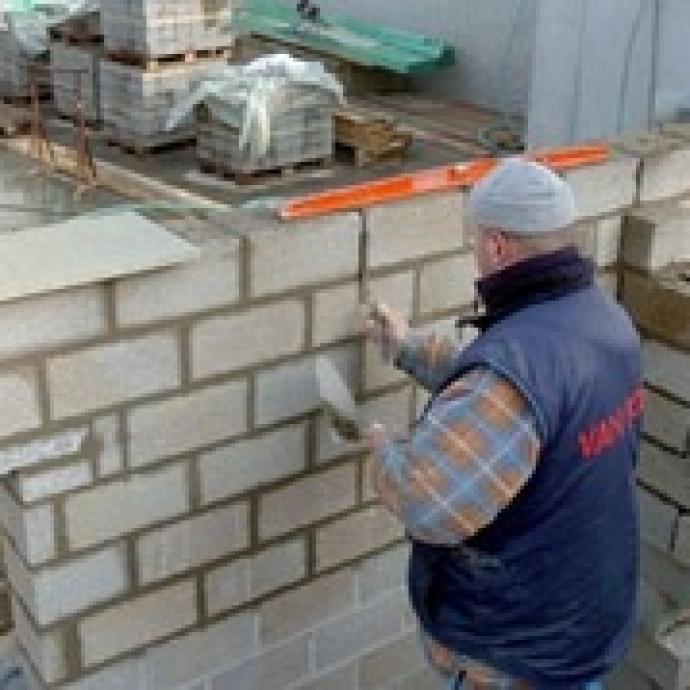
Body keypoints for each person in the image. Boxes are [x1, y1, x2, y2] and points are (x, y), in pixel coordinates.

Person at [366, 158, 643, 690]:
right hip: (583, 619)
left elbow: (426, 502)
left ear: (496, 246)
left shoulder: (510, 377)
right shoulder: (603, 319)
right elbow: (530, 405)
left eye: (474, 241)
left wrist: (382, 448)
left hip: (519, 654)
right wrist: (408, 348)